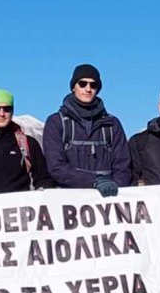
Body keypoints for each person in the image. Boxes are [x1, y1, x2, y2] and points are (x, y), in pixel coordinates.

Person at [42, 64, 131, 197]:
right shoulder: (56, 122)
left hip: (107, 199)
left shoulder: (112, 124)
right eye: (82, 84)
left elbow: (123, 165)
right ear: (73, 87)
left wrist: (115, 190)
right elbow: (56, 167)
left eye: (93, 85)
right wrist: (94, 181)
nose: (88, 89)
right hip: (69, 201)